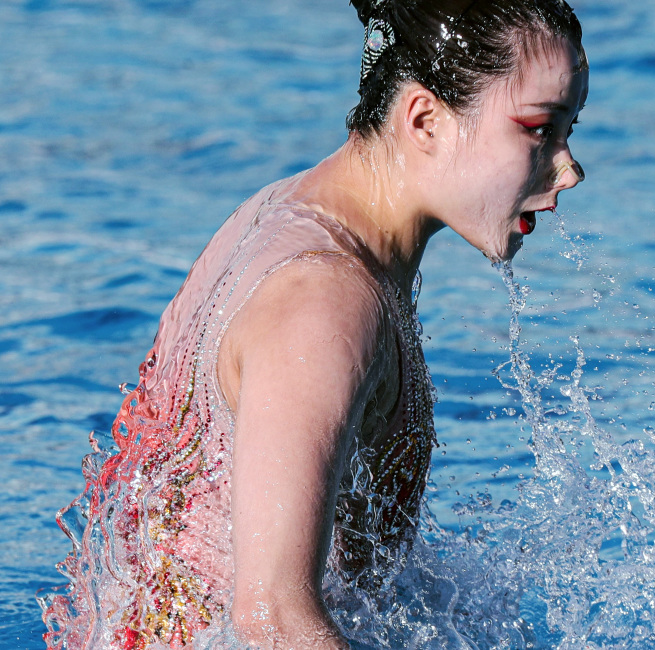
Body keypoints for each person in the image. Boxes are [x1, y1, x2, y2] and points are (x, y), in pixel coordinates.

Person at [41, 0, 587, 647]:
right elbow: (272, 619)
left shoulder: (287, 210)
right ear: (425, 119)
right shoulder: (324, 301)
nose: (568, 168)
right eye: (539, 130)